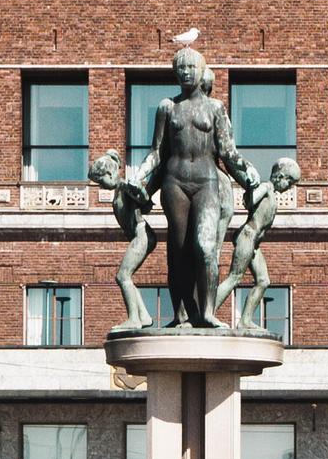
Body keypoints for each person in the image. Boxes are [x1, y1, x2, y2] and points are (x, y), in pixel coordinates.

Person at [125, 46, 260, 328]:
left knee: (205, 246)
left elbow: (228, 151)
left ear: (201, 71)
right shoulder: (167, 107)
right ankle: (181, 314)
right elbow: (157, 152)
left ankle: (207, 312)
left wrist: (247, 173)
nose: (185, 72)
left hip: (206, 182)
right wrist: (140, 176)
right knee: (178, 248)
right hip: (174, 183)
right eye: (180, 69)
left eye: (190, 68)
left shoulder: (215, 108)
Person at [213, 155, 302, 332]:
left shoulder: (271, 193)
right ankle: (206, 311)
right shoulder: (266, 187)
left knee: (263, 281)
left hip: (254, 243)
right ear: (281, 176)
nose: (290, 187)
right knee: (235, 277)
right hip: (248, 236)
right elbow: (250, 201)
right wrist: (252, 190)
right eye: (290, 182)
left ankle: (245, 320)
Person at [89, 148, 159, 332]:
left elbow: (144, 199)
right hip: (139, 236)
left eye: (101, 180)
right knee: (126, 276)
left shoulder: (125, 186)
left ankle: (134, 319)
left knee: (123, 276)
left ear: (111, 173)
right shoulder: (119, 190)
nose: (101, 186)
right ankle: (143, 316)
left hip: (142, 234)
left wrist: (139, 190)